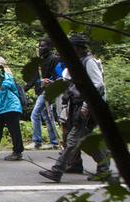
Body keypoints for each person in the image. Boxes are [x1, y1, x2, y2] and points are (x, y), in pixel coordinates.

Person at [39, 34, 114, 183]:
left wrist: (86, 105)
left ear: (78, 48)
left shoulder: (89, 61)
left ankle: (57, 171)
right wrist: (52, 84)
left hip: (88, 107)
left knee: (73, 139)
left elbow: (98, 85)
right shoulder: (75, 62)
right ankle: (104, 169)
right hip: (77, 105)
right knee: (85, 138)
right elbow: (69, 82)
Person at [0, 56, 24, 161]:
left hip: (10, 106)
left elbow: (6, 85)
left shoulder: (6, 75)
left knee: (14, 130)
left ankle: (18, 152)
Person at [26, 38, 60, 150]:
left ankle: (37, 141)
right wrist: (23, 89)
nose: (40, 48)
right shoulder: (39, 61)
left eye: (43, 46)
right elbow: (34, 78)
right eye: (39, 46)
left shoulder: (54, 59)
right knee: (47, 116)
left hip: (48, 91)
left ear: (49, 47)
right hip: (40, 91)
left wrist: (50, 82)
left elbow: (59, 76)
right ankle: (54, 142)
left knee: (35, 114)